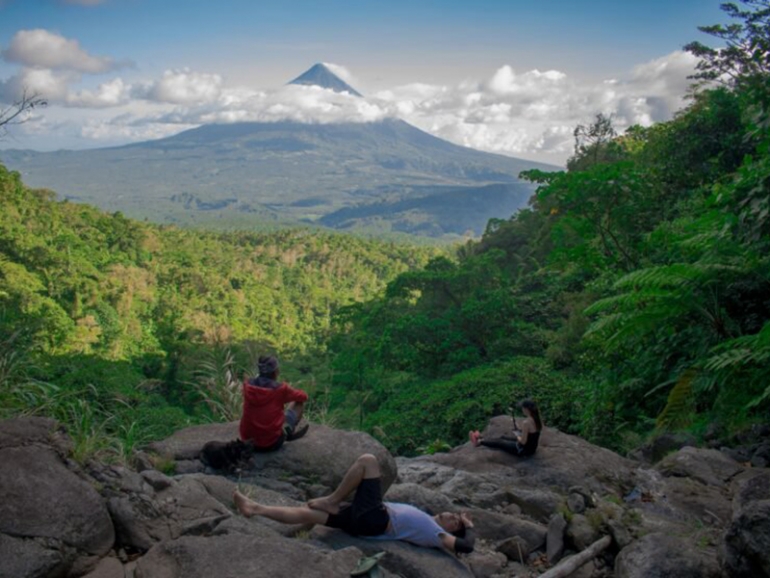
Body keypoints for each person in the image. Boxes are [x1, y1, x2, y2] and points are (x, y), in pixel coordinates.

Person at [233, 453, 476, 555]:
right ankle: (254, 509)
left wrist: (468, 526)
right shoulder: (426, 518)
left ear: (450, 531)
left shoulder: (436, 534)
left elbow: (466, 547)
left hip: (376, 520)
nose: (453, 518)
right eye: (455, 515)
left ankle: (332, 500)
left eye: (455, 523)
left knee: (368, 461)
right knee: (309, 514)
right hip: (366, 523)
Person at [239, 355, 308, 452]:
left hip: (248, 442)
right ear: (275, 372)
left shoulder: (247, 385)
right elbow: (304, 396)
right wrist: (288, 393)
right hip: (271, 444)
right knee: (298, 402)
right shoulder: (280, 389)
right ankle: (288, 431)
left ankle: (284, 429)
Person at [469, 399, 542, 457]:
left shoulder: (526, 423)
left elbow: (523, 442)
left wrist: (518, 436)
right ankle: (482, 437)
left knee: (501, 443)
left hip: (523, 450)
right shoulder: (537, 419)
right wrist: (520, 431)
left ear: (526, 409)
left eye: (522, 408)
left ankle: (479, 442)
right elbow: (532, 434)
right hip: (532, 449)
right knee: (503, 437)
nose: (522, 410)